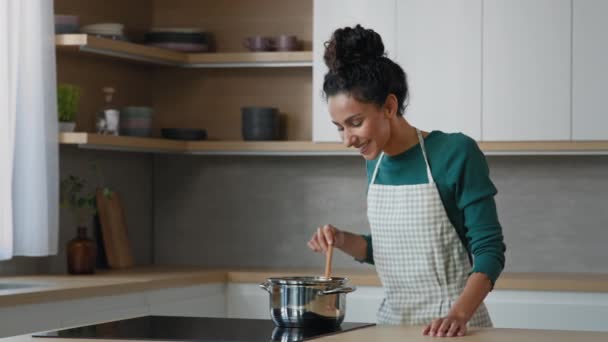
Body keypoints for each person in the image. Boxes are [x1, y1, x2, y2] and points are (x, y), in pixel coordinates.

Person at [307, 24, 506, 338]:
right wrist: (341, 239)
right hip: (392, 328)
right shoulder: (375, 162)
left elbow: (490, 251)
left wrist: (457, 315)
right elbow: (392, 252)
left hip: (454, 330)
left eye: (355, 123)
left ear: (389, 106)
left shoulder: (455, 152)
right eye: (339, 128)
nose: (347, 139)